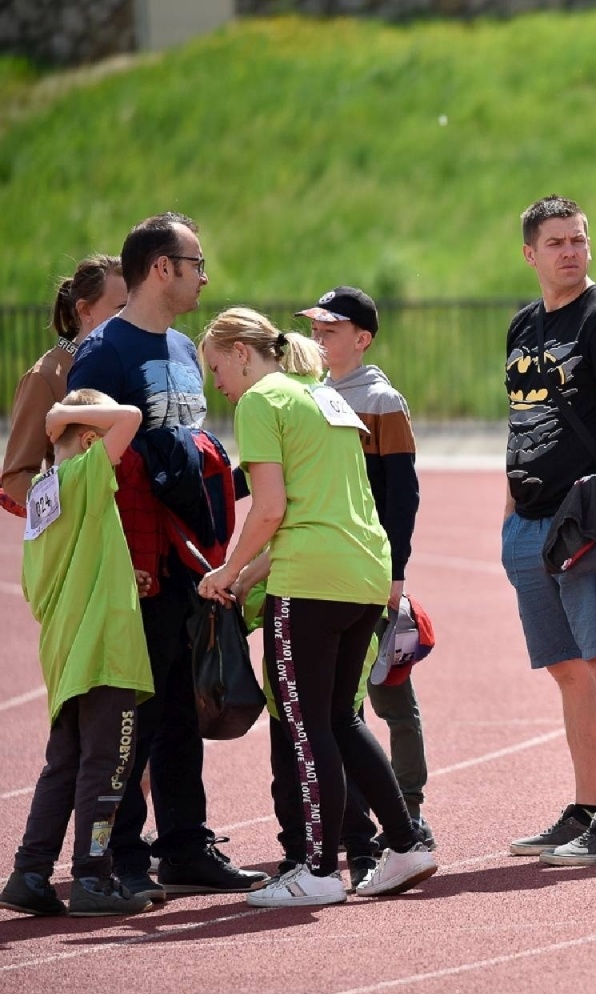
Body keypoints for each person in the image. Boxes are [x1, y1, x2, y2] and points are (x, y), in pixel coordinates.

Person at [195, 307, 437, 907]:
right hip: (362, 572)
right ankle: (405, 844)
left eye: (216, 365)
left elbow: (271, 508)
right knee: (339, 719)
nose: (215, 381)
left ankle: (320, 869)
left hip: (310, 581)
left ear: (243, 353)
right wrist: (251, 573)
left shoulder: (261, 404)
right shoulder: (323, 398)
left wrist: (227, 571)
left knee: (305, 725)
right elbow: (319, 504)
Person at [65, 212, 265, 899]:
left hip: (190, 563)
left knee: (183, 708)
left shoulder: (183, 349)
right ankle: (119, 856)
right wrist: (124, 558)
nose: (204, 275)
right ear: (161, 268)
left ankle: (183, 845)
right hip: (134, 566)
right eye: (195, 263)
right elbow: (87, 464)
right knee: (133, 714)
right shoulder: (104, 354)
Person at [502, 196, 596, 867]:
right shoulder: (522, 327)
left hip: (587, 522)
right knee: (569, 672)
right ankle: (587, 807)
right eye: (557, 242)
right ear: (530, 254)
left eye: (579, 239)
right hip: (529, 523)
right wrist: (508, 519)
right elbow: (521, 425)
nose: (571, 251)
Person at [0, 390, 152, 918]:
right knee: (107, 763)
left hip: (65, 644)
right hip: (104, 647)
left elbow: (63, 566)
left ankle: (29, 871)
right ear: (89, 439)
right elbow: (130, 418)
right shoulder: (85, 472)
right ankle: (93, 875)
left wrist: (117, 575)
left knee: (62, 764)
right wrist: (64, 414)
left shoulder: (44, 490)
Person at [298, 285, 436, 852]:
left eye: (331, 330)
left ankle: (409, 808)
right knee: (339, 705)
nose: (319, 338)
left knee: (390, 695)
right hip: (325, 571)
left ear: (362, 338)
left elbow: (403, 494)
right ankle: (352, 821)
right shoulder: (308, 395)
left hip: (371, 569)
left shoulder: (382, 400)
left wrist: (395, 572)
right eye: (317, 329)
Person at [2, 255, 126, 516]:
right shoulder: (45, 376)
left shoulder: (130, 360)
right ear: (84, 311)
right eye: (121, 308)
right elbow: (16, 478)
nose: (130, 317)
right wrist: (72, 506)